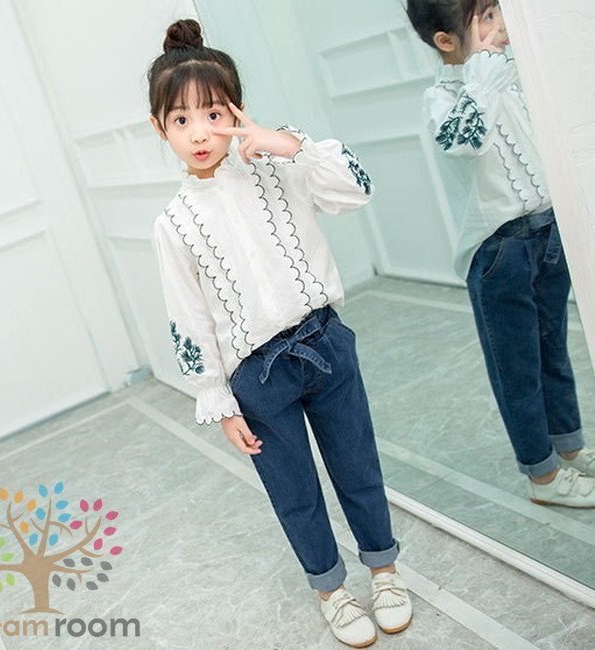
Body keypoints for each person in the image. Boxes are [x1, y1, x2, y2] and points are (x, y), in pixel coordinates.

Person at [148, 18, 412, 648]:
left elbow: (357, 190)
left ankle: (385, 571)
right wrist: (217, 400)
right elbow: (190, 317)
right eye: (181, 119)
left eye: (213, 113)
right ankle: (331, 590)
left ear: (237, 112)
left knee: (357, 465)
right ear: (160, 128)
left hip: (325, 345)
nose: (199, 133)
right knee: (294, 492)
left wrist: (289, 144)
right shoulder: (173, 224)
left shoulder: (278, 169)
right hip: (257, 378)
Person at [406, 0, 595, 506]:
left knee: (553, 348)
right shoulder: (442, 98)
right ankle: (542, 476)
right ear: (446, 40)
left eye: (497, 11)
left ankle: (570, 447)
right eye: (486, 18)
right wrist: (484, 81)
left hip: (548, 233)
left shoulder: (509, 75)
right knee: (518, 370)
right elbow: (464, 141)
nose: (501, 26)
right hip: (499, 253)